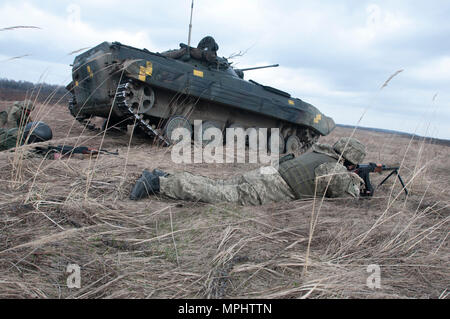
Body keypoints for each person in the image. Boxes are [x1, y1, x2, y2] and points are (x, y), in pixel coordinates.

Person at [130, 137, 367, 205]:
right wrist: (356, 181)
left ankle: (163, 175)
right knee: (218, 195)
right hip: (273, 188)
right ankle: (158, 184)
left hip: (265, 174)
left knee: (218, 186)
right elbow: (348, 200)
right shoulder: (334, 168)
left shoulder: (319, 153)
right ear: (351, 161)